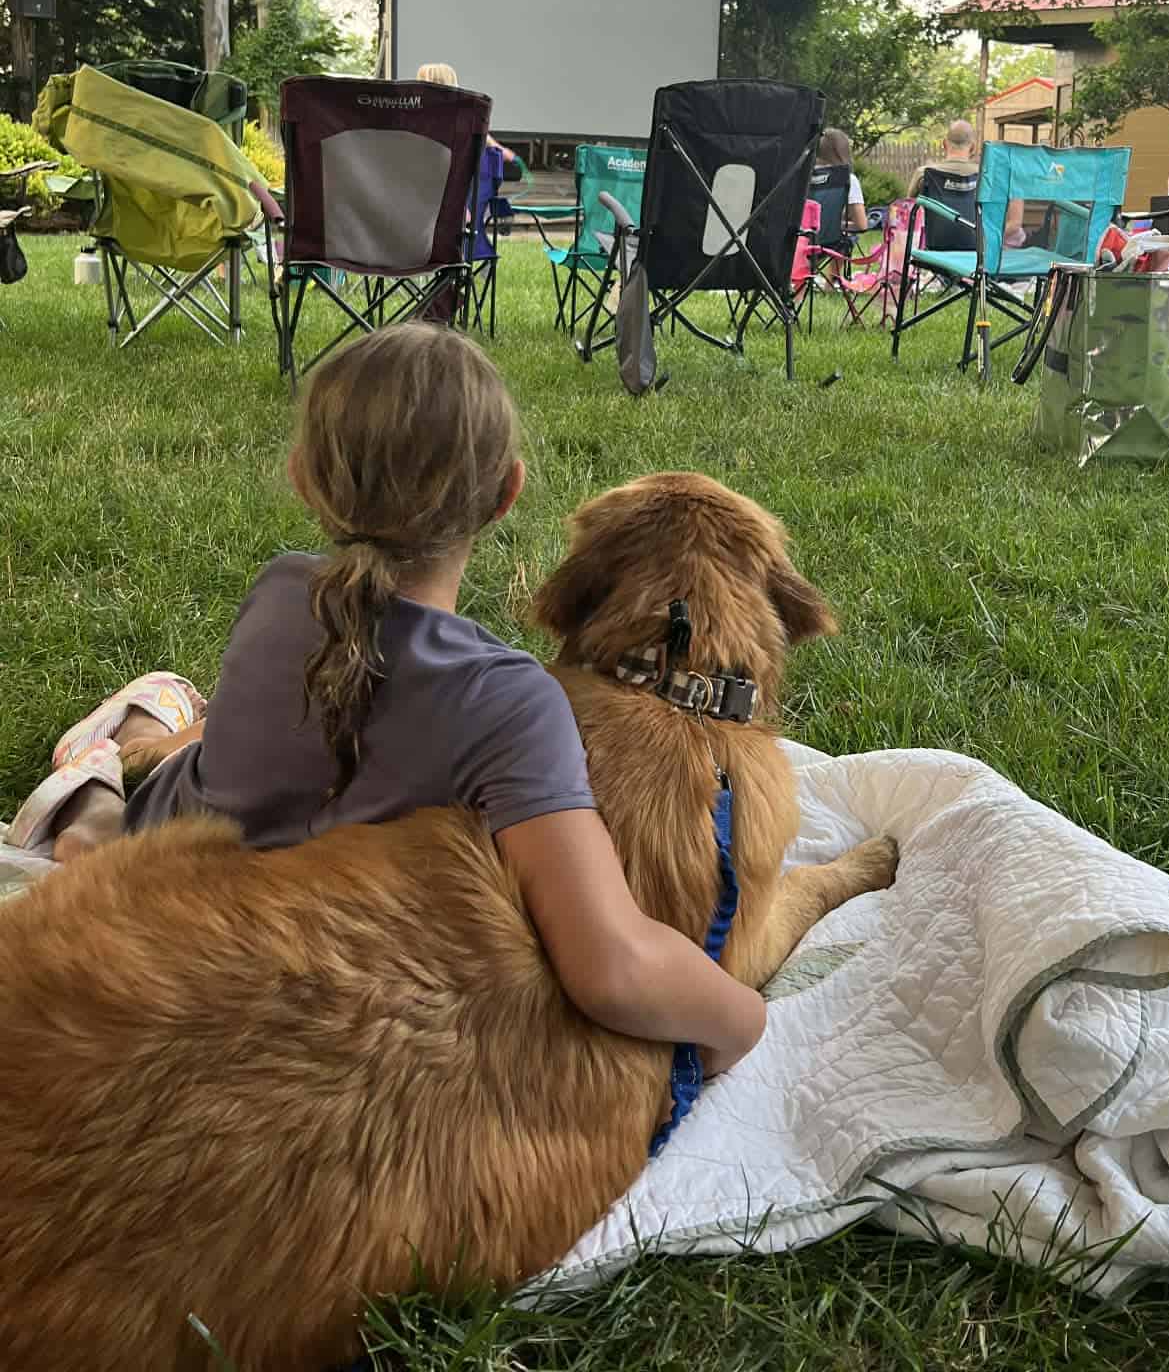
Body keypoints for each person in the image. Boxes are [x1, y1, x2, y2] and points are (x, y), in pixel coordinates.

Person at [7, 327, 764, 1075]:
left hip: (172, 874)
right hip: (272, 952)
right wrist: (741, 1016)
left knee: (168, 704)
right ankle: (92, 794)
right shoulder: (513, 703)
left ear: (304, 478)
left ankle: (124, 744)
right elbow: (612, 964)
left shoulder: (279, 590)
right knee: (128, 775)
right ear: (508, 493)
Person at [907, 118, 978, 200]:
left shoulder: (923, 173)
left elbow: (909, 205)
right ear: (973, 147)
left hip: (933, 213)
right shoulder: (984, 177)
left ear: (944, 144)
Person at [815, 127, 868, 237]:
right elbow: (861, 225)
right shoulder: (847, 179)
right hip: (831, 247)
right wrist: (835, 225)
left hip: (800, 245)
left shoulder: (801, 178)